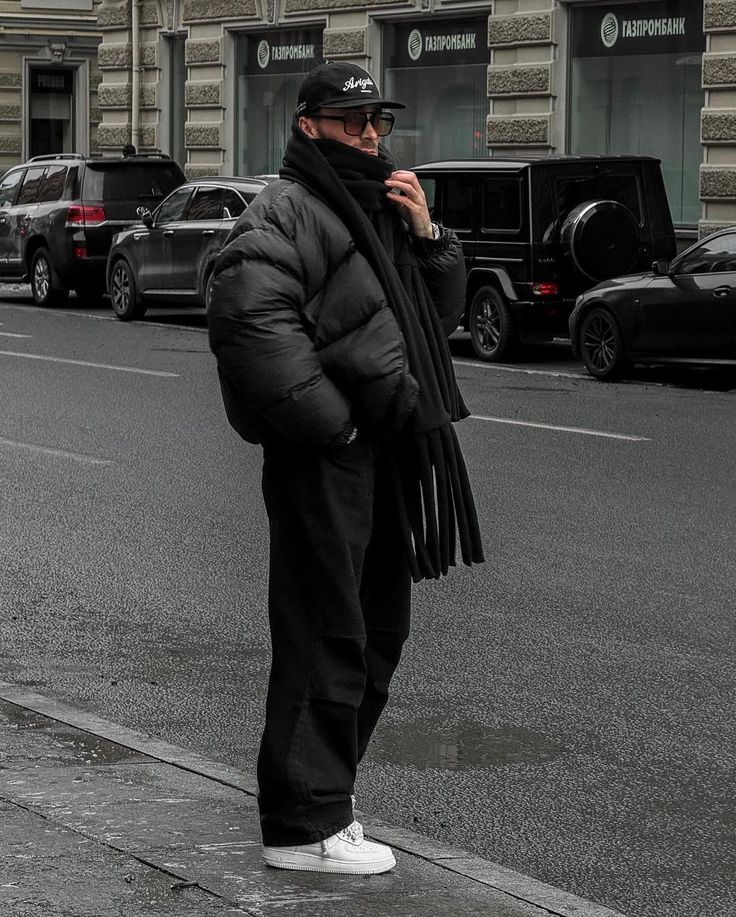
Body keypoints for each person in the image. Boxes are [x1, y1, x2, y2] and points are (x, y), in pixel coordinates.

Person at [207, 61, 483, 875]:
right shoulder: (285, 211)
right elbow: (250, 327)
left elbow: (433, 325)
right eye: (351, 120)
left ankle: (330, 802)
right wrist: (340, 429)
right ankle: (300, 823)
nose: (369, 133)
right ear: (308, 127)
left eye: (377, 121)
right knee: (325, 631)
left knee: (377, 632)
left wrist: (431, 238)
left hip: (385, 448)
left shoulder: (383, 213)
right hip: (330, 457)